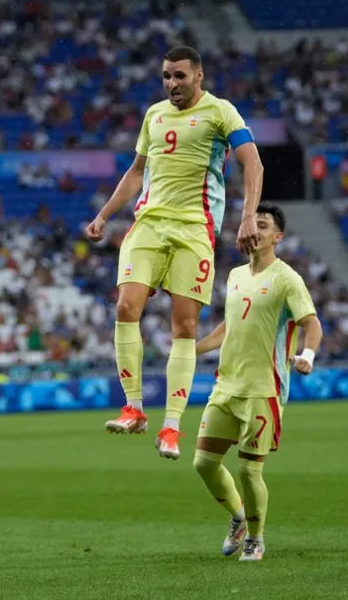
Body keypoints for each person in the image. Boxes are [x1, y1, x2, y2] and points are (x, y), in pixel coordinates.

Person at [85, 45, 264, 460]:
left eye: (179, 76)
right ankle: (134, 408)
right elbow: (136, 172)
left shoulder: (221, 112)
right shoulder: (153, 114)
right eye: (166, 76)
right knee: (126, 308)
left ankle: (170, 427)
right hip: (147, 225)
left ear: (198, 76)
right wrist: (103, 216)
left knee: (183, 327)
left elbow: (252, 164)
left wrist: (248, 216)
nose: (171, 84)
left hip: (193, 230)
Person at [193, 204, 322, 561]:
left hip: (263, 389)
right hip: (226, 386)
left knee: (249, 471)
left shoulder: (287, 278)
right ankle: (238, 517)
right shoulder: (234, 275)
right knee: (204, 463)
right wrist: (193, 348)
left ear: (276, 237)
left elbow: (312, 324)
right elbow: (228, 327)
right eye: (252, 223)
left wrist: (307, 357)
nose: (255, 229)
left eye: (262, 225)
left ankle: (256, 538)